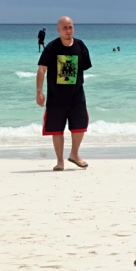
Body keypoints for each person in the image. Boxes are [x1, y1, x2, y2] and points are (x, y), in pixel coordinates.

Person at [36, 17, 92, 171]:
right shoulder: (52, 47)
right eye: (65, 28)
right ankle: (60, 161)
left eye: (71, 27)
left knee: (80, 126)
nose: (68, 31)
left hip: (77, 96)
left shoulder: (80, 45)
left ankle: (74, 154)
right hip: (56, 97)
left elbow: (84, 68)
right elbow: (42, 69)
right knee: (56, 129)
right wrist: (39, 92)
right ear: (58, 30)